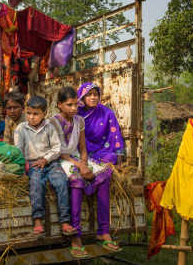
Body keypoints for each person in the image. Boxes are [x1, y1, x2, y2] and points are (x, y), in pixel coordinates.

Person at [50, 86, 121, 256]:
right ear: (59, 105)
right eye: (69, 105)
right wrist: (80, 167)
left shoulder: (79, 121)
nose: (74, 108)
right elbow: (60, 151)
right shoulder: (54, 122)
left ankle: (103, 231)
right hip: (61, 159)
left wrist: (84, 163)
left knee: (103, 176)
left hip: (76, 157)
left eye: (75, 104)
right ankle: (76, 236)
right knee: (77, 180)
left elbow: (83, 148)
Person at [14, 96, 77, 237]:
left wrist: (45, 159)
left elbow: (57, 148)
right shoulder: (21, 128)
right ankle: (37, 220)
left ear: (44, 113)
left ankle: (65, 221)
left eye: (36, 114)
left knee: (61, 182)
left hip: (50, 162)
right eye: (29, 113)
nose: (32, 117)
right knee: (36, 184)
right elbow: (18, 149)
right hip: (32, 164)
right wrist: (23, 166)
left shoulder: (50, 127)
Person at [77, 82, 125, 166]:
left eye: (95, 94)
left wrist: (119, 157)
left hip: (102, 151)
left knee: (111, 157)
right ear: (82, 97)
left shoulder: (107, 113)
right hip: (81, 151)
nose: (93, 97)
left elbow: (115, 135)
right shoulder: (76, 113)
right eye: (89, 95)